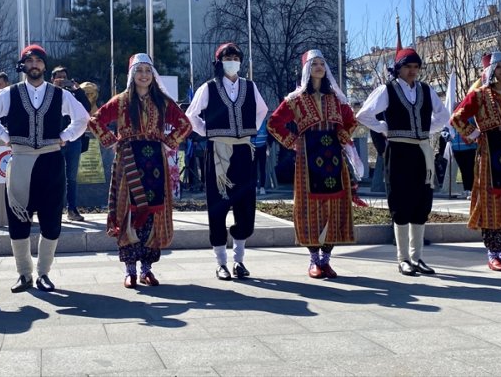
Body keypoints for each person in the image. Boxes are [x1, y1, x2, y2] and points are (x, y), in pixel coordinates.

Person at [0, 46, 89, 292]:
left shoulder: (60, 95)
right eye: (30, 61)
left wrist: (65, 136)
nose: (34, 65)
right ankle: (24, 273)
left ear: (45, 66)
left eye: (39, 61)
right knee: (18, 219)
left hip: (50, 160)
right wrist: (5, 137)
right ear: (23, 66)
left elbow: (82, 118)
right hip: (20, 160)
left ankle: (44, 273)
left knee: (51, 219)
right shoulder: (9, 93)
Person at [89, 53, 192, 288]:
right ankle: (129, 269)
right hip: (128, 159)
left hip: (155, 161)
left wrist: (167, 141)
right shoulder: (121, 100)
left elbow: (186, 124)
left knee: (153, 214)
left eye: (147, 70)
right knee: (128, 211)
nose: (144, 75)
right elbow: (95, 121)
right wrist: (112, 140)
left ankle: (147, 268)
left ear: (152, 74)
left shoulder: (163, 101)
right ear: (132, 75)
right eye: (139, 71)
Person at [356, 47, 449, 276]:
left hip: (421, 151)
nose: (412, 71)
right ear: (398, 68)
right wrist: (383, 128)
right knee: (400, 202)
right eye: (408, 67)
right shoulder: (387, 90)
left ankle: (417, 258)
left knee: (421, 202)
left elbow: (444, 116)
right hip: (398, 152)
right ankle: (403, 258)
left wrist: (427, 130)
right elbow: (363, 115)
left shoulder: (426, 90)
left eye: (416, 67)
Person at [267, 50, 357, 279]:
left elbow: (350, 120)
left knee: (335, 207)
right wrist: (293, 143)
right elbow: (274, 123)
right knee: (311, 208)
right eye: (314, 63)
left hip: (334, 159)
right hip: (308, 158)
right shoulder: (295, 99)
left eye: (322, 63)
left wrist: (343, 136)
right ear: (307, 69)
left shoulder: (336, 98)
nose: (319, 67)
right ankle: (314, 261)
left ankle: (326, 260)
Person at [186, 43, 269, 281]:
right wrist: (209, 132)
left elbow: (262, 111)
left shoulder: (249, 87)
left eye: (235, 57)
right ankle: (221, 262)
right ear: (219, 62)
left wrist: (246, 130)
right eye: (227, 57)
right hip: (218, 152)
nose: (232, 61)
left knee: (245, 207)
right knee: (218, 206)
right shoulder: (209, 88)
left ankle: (239, 260)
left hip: (243, 150)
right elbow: (191, 116)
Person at [450, 51, 501, 272]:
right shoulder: (479, 95)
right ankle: (493, 253)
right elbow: (457, 117)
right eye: (498, 67)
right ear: (490, 71)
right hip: (490, 151)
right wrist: (476, 135)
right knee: (493, 201)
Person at [51, 66, 93, 223]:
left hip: (74, 140)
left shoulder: (74, 94)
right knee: (55, 176)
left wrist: (77, 89)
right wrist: (56, 88)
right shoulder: (50, 93)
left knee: (72, 177)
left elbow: (87, 109)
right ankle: (54, 209)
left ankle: (72, 209)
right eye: (58, 78)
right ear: (52, 80)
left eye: (64, 77)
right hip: (56, 140)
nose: (62, 80)